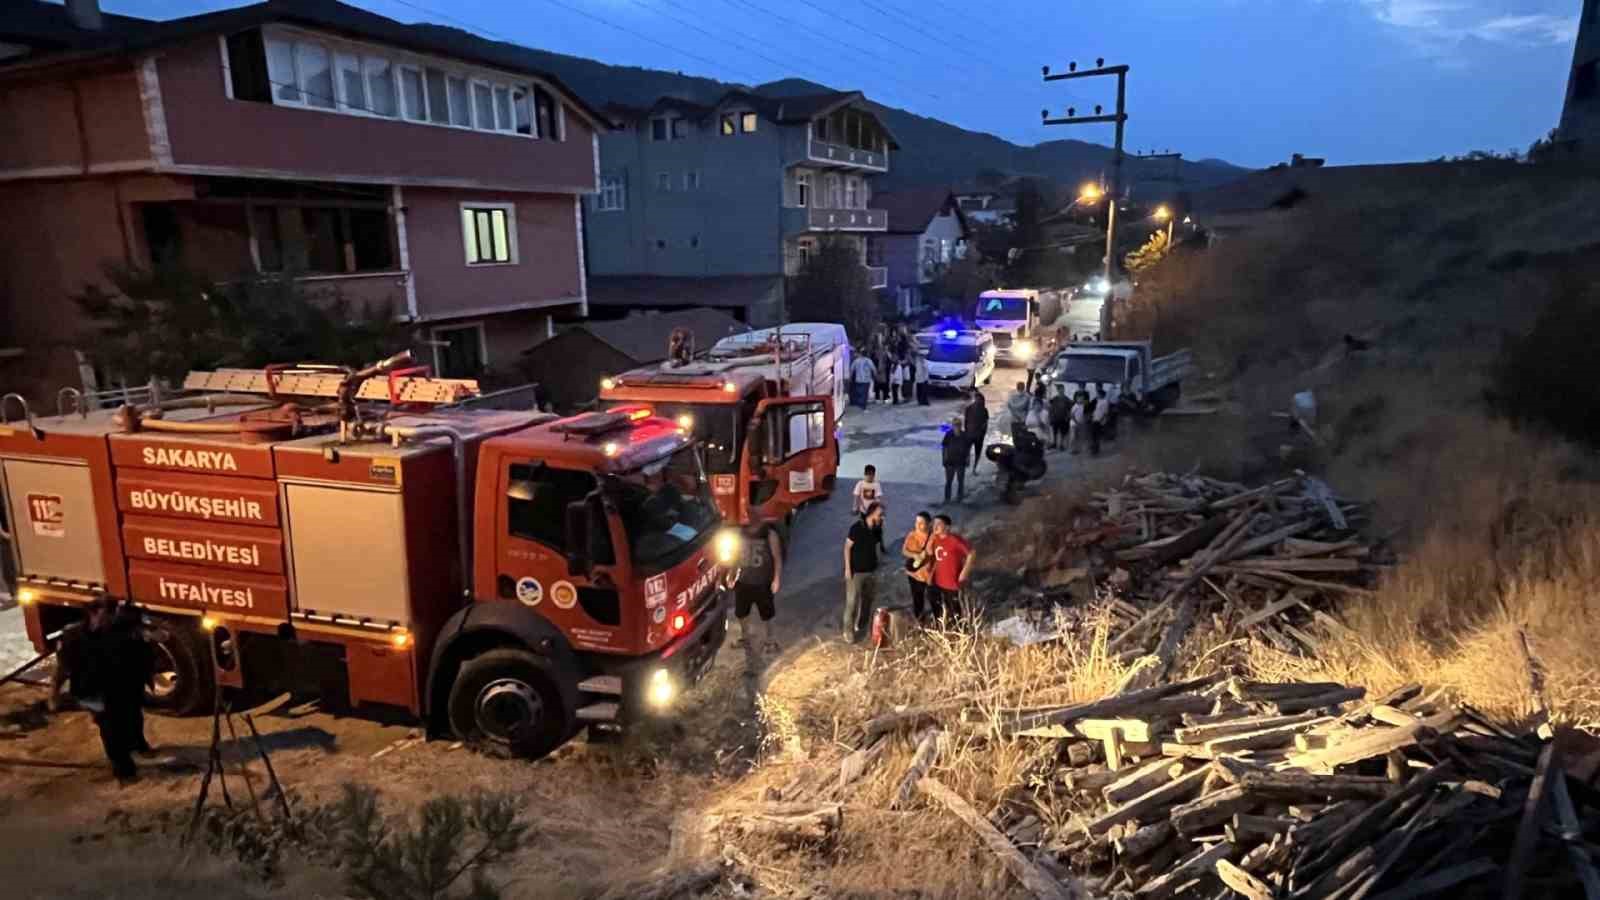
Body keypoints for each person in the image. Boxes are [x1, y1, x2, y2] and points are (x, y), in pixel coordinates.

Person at [55, 595, 155, 782]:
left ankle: (137, 744)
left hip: (122, 686)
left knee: (132, 716)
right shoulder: (73, 637)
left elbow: (141, 652)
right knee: (111, 730)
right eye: (108, 611)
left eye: (113, 611)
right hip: (93, 691)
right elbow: (62, 668)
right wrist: (54, 693)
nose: (112, 615)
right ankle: (124, 771)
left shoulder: (120, 629)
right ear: (94, 613)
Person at [733, 526, 783, 654]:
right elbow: (735, 555)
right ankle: (745, 638)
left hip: (763, 582)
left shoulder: (769, 534)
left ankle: (771, 640)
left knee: (767, 614)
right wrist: (731, 574)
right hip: (743, 581)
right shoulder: (740, 532)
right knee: (741, 613)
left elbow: (777, 557)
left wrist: (776, 579)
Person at [842, 502, 885, 642]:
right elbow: (847, 548)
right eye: (880, 514)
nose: (882, 517)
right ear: (871, 513)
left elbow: (877, 547)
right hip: (856, 572)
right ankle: (848, 631)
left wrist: (879, 564)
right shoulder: (857, 528)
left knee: (867, 601)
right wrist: (848, 569)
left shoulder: (877, 529)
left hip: (871, 571)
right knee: (852, 602)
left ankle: (861, 626)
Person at [928, 515, 975, 619]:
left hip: (952, 582)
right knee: (941, 610)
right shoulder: (935, 539)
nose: (935, 527)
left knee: (955, 610)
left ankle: (960, 631)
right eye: (934, 524)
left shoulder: (954, 540)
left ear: (947, 527)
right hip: (938, 581)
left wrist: (964, 572)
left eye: (938, 524)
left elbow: (971, 553)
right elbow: (930, 553)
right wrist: (930, 541)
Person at [901, 512, 935, 621]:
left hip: (929, 575)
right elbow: (904, 551)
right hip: (914, 574)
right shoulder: (912, 535)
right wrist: (915, 555)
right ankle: (920, 622)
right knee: (917, 600)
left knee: (934, 599)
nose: (917, 525)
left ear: (929, 524)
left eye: (921, 523)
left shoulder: (934, 537)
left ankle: (939, 622)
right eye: (916, 522)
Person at [941, 416, 968, 503]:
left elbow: (967, 448)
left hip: (961, 462)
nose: (957, 426)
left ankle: (960, 498)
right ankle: (947, 499)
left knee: (960, 481)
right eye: (955, 425)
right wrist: (944, 459)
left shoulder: (964, 435)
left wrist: (967, 459)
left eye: (958, 425)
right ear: (953, 426)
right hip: (950, 462)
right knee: (949, 481)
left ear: (961, 426)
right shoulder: (948, 435)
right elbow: (944, 447)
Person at [963, 390, 990, 473]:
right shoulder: (972, 409)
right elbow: (966, 421)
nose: (978, 401)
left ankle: (972, 467)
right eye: (977, 399)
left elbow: (985, 423)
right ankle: (970, 466)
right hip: (974, 434)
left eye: (979, 399)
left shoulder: (982, 410)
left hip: (976, 435)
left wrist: (983, 433)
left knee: (973, 452)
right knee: (971, 451)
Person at [1048, 384, 1072, 450]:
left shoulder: (1067, 399)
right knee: (1055, 432)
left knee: (1063, 432)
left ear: (1064, 390)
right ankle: (1054, 443)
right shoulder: (1055, 399)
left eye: (1062, 389)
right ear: (1058, 390)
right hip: (1055, 418)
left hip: (1063, 418)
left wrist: (1067, 417)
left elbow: (1070, 409)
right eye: (1060, 389)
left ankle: (1061, 444)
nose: (1061, 390)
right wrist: (1051, 417)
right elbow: (1051, 408)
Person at [1091, 384, 1112, 457]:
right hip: (1095, 419)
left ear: (1101, 395)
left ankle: (1096, 449)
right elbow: (1096, 410)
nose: (1097, 395)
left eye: (1098, 394)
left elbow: (1105, 413)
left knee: (1096, 435)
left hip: (1099, 421)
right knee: (1094, 435)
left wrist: (1101, 420)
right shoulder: (1098, 401)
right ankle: (1094, 448)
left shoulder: (1105, 402)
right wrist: (1093, 416)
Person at [1069, 390, 1088, 454]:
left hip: (1081, 423)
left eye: (1082, 398)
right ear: (1076, 399)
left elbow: (1085, 414)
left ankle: (1077, 449)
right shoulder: (1075, 406)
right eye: (1078, 398)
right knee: (1073, 437)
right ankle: (1072, 449)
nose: (1080, 399)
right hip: (1074, 424)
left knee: (1079, 437)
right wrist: (1076, 422)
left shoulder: (1084, 405)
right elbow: (1071, 415)